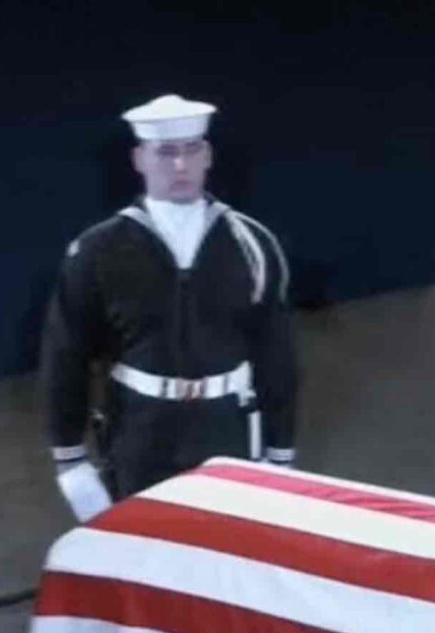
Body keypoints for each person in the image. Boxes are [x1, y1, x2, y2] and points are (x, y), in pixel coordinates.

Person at [40, 93, 300, 522]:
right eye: (165, 152)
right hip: (140, 433)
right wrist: (70, 459)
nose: (179, 165)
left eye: (191, 150)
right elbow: (64, 356)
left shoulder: (252, 244)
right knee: (145, 556)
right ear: (139, 158)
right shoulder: (97, 250)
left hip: (228, 431)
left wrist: (281, 453)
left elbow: (277, 355)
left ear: (208, 156)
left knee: (226, 555)